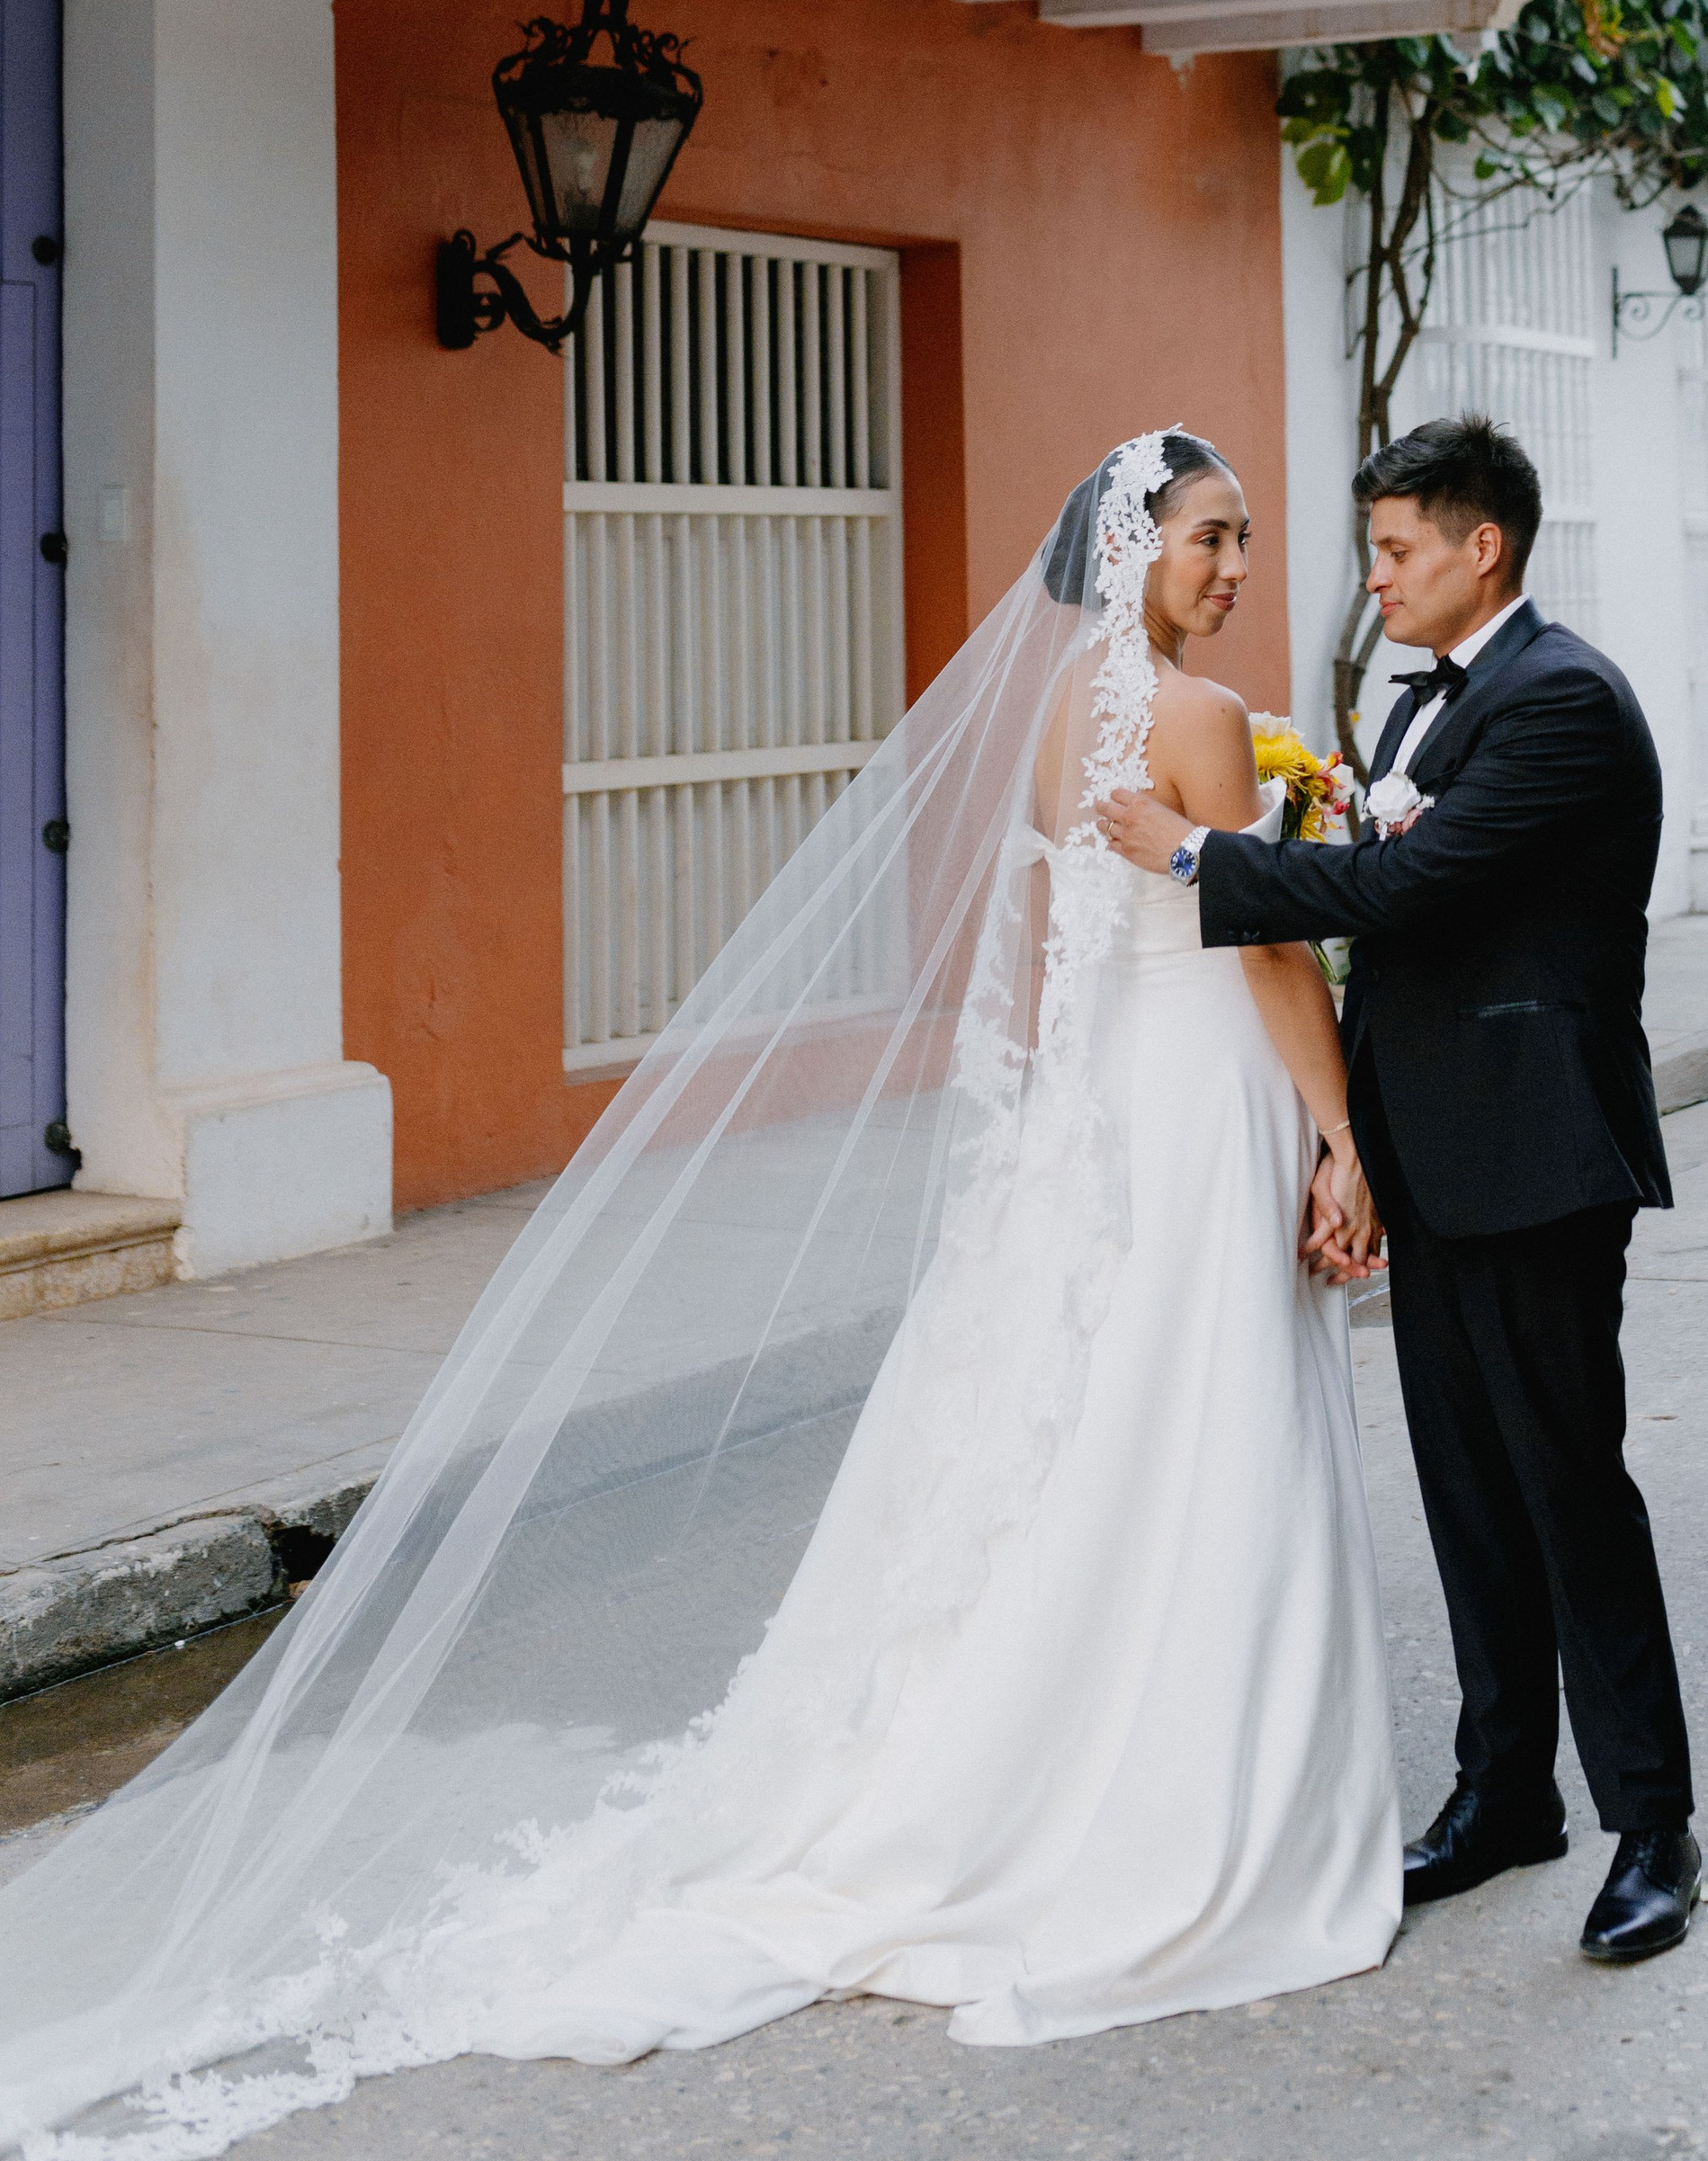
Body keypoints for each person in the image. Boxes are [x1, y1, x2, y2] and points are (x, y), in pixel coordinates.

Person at [0, 433, 1398, 2155]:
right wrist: (1338, 1130)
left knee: (1083, 1440)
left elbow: (1046, 954)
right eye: (1209, 537)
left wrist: (1050, 1130)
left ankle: (1003, 1743)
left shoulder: (1059, 716)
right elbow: (1257, 941)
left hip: (1106, 1106)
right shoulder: (1197, 719)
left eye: (1249, 538)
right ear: (1134, 549)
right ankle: (1159, 1780)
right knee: (1195, 1422)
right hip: (1189, 1102)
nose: (1236, 565)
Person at [1103, 412, 1701, 1966]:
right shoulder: (1418, 707)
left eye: (1395, 549)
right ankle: (1506, 1795)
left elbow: (1409, 888)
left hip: (1537, 1153)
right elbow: (1392, 922)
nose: (1373, 579)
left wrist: (1196, 859)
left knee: (1568, 1487)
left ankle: (1652, 1823)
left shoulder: (1562, 700)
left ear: (1478, 546)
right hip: (1432, 1150)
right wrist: (1345, 1140)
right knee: (1468, 1495)